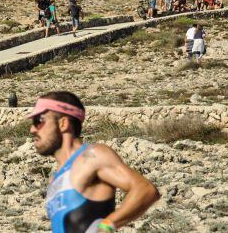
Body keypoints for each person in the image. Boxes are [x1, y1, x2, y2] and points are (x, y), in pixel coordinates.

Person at [28, 91, 160, 232]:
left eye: (39, 121)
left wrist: (107, 225)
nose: (32, 129)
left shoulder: (92, 156)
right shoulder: (55, 179)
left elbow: (145, 190)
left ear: (63, 124)